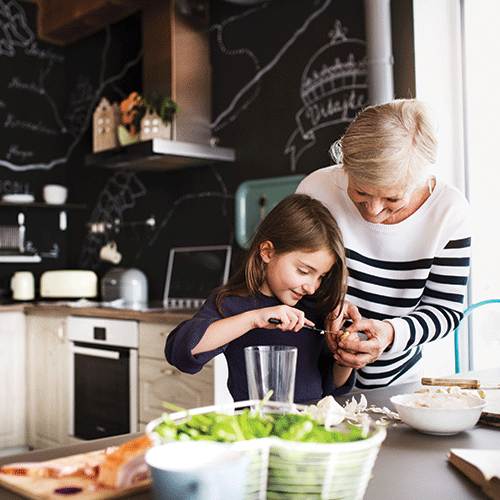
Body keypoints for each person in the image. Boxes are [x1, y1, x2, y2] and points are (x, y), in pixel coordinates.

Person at [297, 98, 472, 389]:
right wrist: (327, 305)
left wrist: (391, 332)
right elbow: (288, 279)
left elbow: (446, 310)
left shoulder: (449, 213)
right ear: (345, 166)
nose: (374, 211)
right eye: (360, 191)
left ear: (421, 178)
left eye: (392, 199)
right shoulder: (317, 190)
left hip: (397, 384)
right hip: (312, 382)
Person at [165, 193, 356, 403]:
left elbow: (333, 386)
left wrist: (345, 359)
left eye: (321, 276)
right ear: (267, 252)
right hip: (254, 431)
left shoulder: (317, 309)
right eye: (303, 271)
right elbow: (181, 350)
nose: (311, 287)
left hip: (311, 429)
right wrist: (254, 319)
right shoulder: (234, 304)